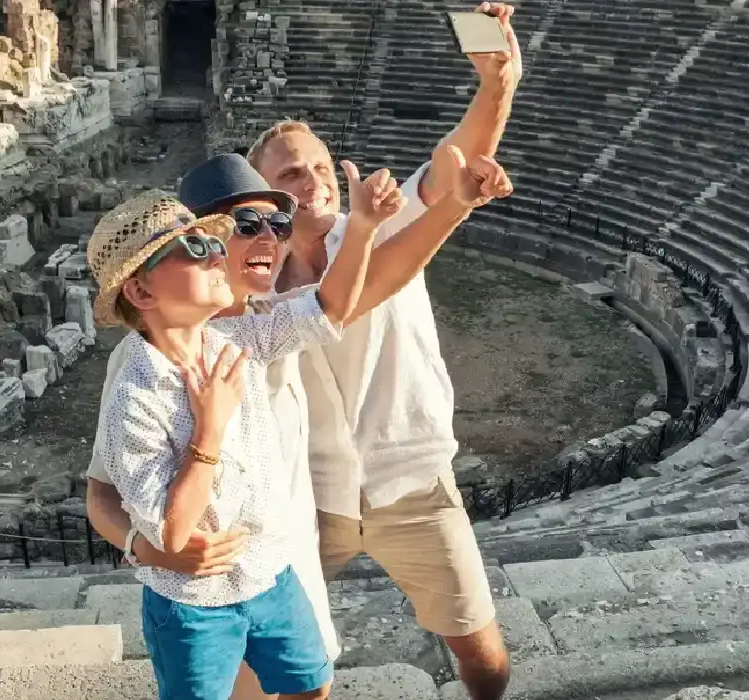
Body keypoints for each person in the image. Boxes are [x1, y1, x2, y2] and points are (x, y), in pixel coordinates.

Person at [86, 148, 513, 700]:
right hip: (207, 584)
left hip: (281, 561)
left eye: (278, 223)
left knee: (311, 684)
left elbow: (366, 282)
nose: (266, 236)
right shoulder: (142, 363)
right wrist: (147, 549)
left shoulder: (267, 323)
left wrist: (441, 206)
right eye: (240, 226)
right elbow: (101, 494)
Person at [245, 5, 524, 699]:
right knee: (260, 651)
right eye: (289, 175)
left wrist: (496, 86)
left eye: (317, 166)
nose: (310, 181)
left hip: (411, 478)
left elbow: (453, 162)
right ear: (263, 197)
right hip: (308, 494)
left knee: (481, 650)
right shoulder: (249, 285)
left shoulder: (377, 229)